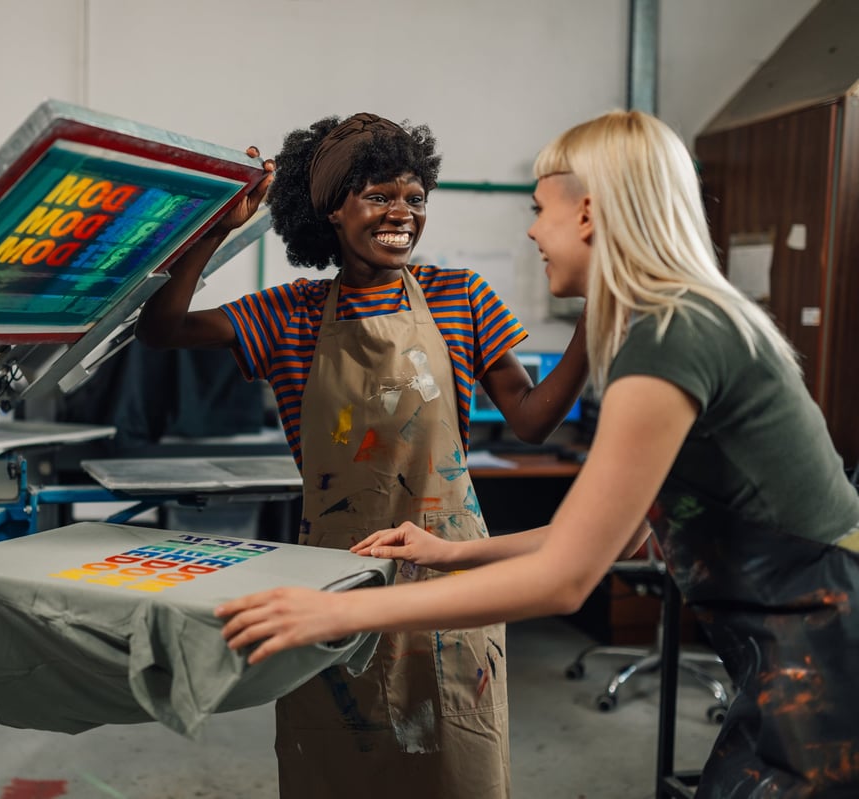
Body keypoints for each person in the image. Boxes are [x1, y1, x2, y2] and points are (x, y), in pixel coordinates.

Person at [214, 110, 859, 799]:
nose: (530, 229)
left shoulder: (673, 336)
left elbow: (566, 578)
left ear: (587, 214)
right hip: (791, 653)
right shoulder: (678, 318)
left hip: (825, 653)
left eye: (538, 208)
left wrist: (336, 612)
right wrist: (451, 551)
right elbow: (612, 535)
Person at [136, 113, 588, 798]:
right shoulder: (288, 313)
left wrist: (597, 318)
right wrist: (217, 229)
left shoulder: (460, 296)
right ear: (331, 210)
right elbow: (161, 327)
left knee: (456, 762)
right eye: (379, 195)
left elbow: (530, 420)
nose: (401, 213)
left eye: (414, 197)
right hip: (338, 579)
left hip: (453, 577)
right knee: (339, 764)